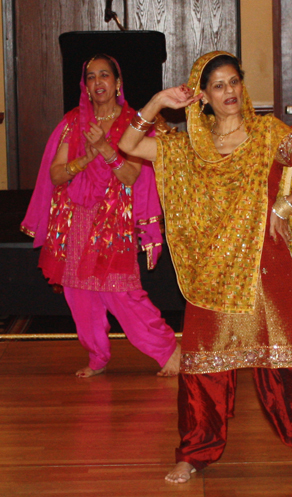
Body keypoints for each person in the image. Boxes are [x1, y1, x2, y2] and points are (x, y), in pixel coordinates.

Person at [119, 51, 292, 483]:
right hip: (213, 275)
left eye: (234, 81)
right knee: (204, 369)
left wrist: (286, 205)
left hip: (267, 268)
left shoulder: (268, 133)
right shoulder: (189, 146)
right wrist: (159, 101)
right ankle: (194, 451)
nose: (229, 91)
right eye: (218, 85)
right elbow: (129, 146)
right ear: (204, 97)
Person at [21, 54, 180, 378]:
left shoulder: (135, 123)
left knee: (122, 292)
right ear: (85, 85)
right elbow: (55, 174)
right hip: (75, 220)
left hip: (113, 221)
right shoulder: (74, 121)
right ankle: (97, 357)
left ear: (118, 83)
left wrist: (105, 149)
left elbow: (131, 176)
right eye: (91, 77)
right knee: (78, 293)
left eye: (104, 75)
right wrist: (85, 158)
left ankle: (169, 352)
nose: (98, 83)